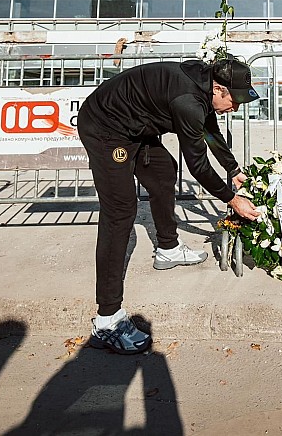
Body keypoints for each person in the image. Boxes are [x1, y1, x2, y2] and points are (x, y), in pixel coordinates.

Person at [77, 56, 261, 353]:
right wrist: (232, 199)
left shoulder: (202, 89)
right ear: (217, 88)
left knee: (163, 174)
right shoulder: (188, 101)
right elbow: (198, 167)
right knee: (120, 211)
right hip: (106, 128)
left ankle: (168, 249)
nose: (236, 108)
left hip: (136, 127)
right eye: (235, 100)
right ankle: (107, 319)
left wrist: (234, 169)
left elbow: (210, 130)